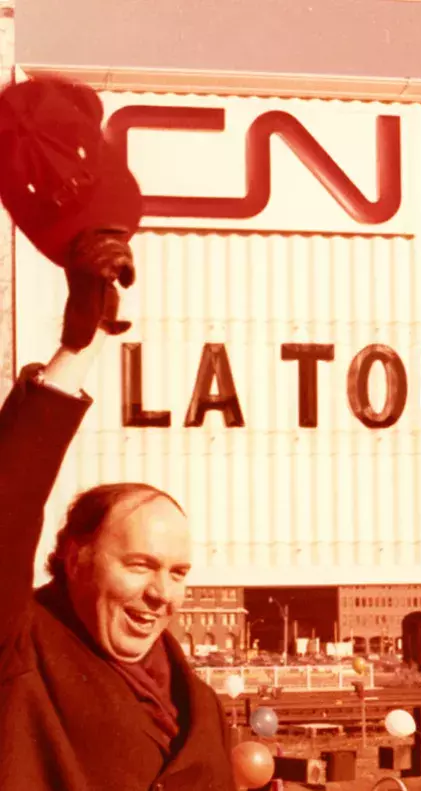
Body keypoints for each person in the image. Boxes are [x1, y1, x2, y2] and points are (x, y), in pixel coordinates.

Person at [0, 76, 236, 790]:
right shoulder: (21, 649)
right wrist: (80, 343)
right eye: (138, 564)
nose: (161, 592)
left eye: (177, 571)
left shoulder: (200, 702)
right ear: (72, 556)